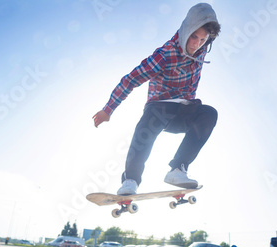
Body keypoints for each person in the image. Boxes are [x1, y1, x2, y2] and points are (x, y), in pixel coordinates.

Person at [92, 3, 221, 195]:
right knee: (150, 122)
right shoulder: (165, 55)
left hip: (183, 112)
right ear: (186, 30)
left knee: (209, 113)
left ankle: (178, 169)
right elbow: (131, 80)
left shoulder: (202, 50)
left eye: (203, 40)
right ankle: (131, 180)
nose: (196, 44)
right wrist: (108, 110)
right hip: (159, 111)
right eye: (194, 37)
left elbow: (208, 29)